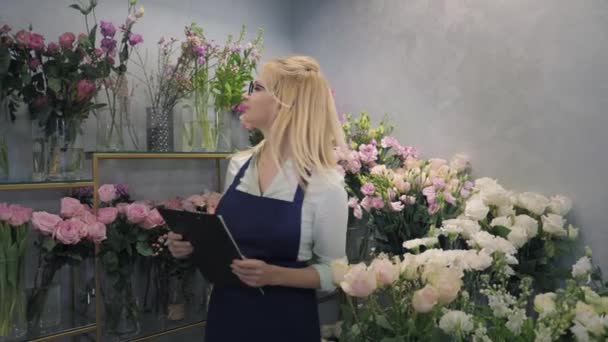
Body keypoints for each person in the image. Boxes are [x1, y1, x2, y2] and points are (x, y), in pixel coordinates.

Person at [167, 55, 348, 342]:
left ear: (286, 103)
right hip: (226, 317)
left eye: (257, 87)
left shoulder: (325, 185)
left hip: (285, 324)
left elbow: (337, 272)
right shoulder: (239, 166)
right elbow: (227, 245)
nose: (245, 95)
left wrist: (275, 275)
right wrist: (190, 246)